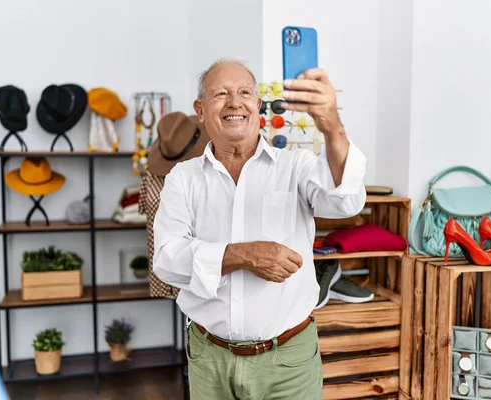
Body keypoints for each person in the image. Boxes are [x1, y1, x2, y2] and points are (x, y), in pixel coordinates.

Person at [153, 57, 367, 400]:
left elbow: (345, 201)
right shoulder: (183, 177)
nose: (235, 102)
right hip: (209, 359)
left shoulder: (296, 166)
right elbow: (166, 261)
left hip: (288, 363)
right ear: (201, 109)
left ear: (257, 105)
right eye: (220, 94)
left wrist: (331, 126)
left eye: (245, 93)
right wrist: (241, 255)